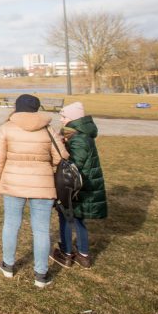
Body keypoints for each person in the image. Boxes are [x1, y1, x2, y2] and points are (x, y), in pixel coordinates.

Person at [0, 93, 67, 288]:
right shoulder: (48, 129)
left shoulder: (6, 128)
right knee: (41, 230)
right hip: (42, 184)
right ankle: (41, 274)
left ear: (17, 108)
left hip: (13, 182)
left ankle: (8, 265)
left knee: (11, 224)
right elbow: (61, 157)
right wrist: (46, 166)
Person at [49, 102, 106, 270]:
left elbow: (73, 165)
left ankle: (67, 253)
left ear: (73, 118)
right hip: (82, 185)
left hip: (76, 187)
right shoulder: (81, 134)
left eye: (64, 116)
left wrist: (61, 148)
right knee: (78, 218)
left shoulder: (79, 138)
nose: (61, 119)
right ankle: (84, 254)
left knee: (67, 217)